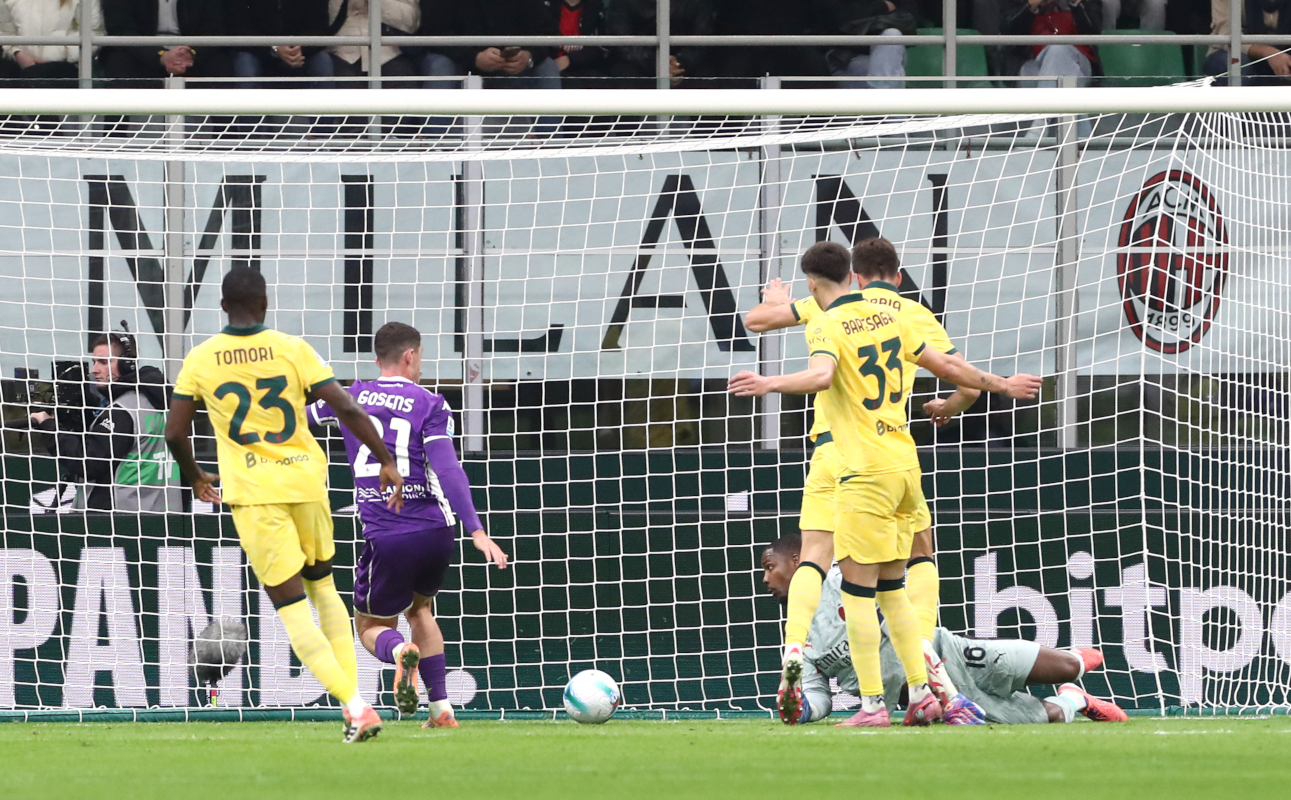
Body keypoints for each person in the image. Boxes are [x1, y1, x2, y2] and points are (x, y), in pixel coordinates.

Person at [728, 241, 1042, 727]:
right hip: (904, 461)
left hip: (860, 467)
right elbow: (953, 370)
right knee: (899, 580)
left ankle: (870, 703)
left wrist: (768, 383)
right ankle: (922, 686)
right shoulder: (896, 316)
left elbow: (818, 372)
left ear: (818, 283)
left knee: (851, 587)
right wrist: (1002, 385)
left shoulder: (825, 321)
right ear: (866, 278)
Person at [164, 267, 403, 744]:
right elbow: (348, 407)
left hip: (256, 494)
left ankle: (356, 707)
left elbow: (174, 432)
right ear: (266, 303)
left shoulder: (201, 358)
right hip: (307, 483)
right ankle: (354, 708)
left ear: (222, 306)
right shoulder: (293, 348)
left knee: (292, 607)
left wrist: (195, 477)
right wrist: (386, 459)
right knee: (325, 591)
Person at [308, 321, 508, 729]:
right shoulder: (431, 403)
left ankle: (400, 653)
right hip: (437, 531)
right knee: (421, 609)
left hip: (388, 531)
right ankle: (442, 710)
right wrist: (476, 529)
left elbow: (295, 421)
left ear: (377, 357)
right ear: (410, 356)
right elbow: (448, 468)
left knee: (369, 624)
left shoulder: (349, 396)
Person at [760, 534, 1130, 725]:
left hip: (944, 652)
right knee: (1027, 717)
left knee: (1066, 666)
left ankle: (1073, 669)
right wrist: (803, 708)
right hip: (920, 700)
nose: (765, 579)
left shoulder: (848, 577)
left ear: (797, 561)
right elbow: (816, 695)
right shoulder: (798, 641)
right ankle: (1076, 700)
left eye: (768, 566)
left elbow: (892, 594)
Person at [30, 330, 181, 513]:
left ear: (127, 366)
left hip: (118, 523)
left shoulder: (123, 411)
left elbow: (87, 463)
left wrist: (48, 426)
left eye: (104, 362)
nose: (94, 370)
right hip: (164, 517)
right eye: (94, 362)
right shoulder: (163, 404)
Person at [99, 0, 233, 88]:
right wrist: (160, 56)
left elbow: (214, 29)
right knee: (118, 62)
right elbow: (121, 29)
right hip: (143, 53)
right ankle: (115, 132)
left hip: (189, 53)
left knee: (220, 64)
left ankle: (225, 131)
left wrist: (190, 54)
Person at [608, 0, 714, 87]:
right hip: (638, 65)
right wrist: (658, 64)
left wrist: (678, 64)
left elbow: (703, 42)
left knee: (707, 74)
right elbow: (621, 43)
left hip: (685, 66)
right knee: (623, 74)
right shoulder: (623, 3)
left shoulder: (698, 3)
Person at [458, 0, 562, 89]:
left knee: (548, 67)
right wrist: (474, 58)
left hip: (518, 63)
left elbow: (547, 34)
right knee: (442, 65)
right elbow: (444, 32)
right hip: (464, 62)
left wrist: (529, 57)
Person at [231, 0, 334, 88]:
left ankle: (324, 111)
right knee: (245, 65)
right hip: (258, 51)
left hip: (301, 52)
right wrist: (273, 48)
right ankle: (247, 110)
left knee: (323, 62)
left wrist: (300, 48)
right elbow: (240, 29)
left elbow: (320, 29)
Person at [0, 0, 102, 88]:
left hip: (65, 69)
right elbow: (5, 31)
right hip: (19, 69)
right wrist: (17, 53)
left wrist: (62, 53)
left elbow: (93, 31)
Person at [1000, 0, 1102, 88]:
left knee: (1058, 49)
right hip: (1031, 64)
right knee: (1065, 80)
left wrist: (1077, 2)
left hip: (1078, 62)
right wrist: (1030, 5)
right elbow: (1007, 30)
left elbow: (1095, 30)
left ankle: (1048, 108)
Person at [817, 0, 917, 89]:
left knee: (892, 35)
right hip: (845, 60)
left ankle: (885, 99)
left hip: (884, 57)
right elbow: (838, 16)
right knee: (893, 77)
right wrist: (883, 6)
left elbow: (908, 16)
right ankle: (887, 101)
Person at [327, 0, 426, 85]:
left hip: (388, 51)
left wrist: (377, 3)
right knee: (344, 83)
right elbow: (327, 21)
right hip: (343, 51)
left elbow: (411, 22)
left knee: (402, 77)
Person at [1205, 0, 1291, 85]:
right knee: (1235, 66)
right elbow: (1226, 33)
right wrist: (1270, 53)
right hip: (1234, 51)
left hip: (1286, 50)